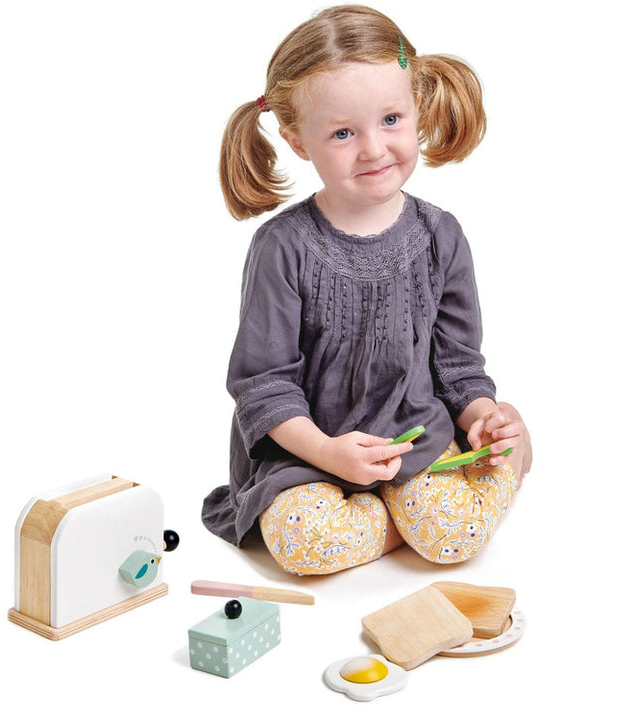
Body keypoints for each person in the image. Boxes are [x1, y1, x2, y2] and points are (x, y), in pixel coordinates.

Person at [202, 4, 532, 575]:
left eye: (391, 119)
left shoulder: (441, 236)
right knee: (304, 542)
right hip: (308, 451)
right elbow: (264, 386)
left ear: (418, 108)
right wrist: (328, 452)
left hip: (415, 438)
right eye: (342, 133)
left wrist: (483, 415)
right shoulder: (282, 247)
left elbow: (457, 365)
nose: (374, 149)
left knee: (456, 535)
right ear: (297, 141)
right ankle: (401, 522)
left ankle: (498, 468)